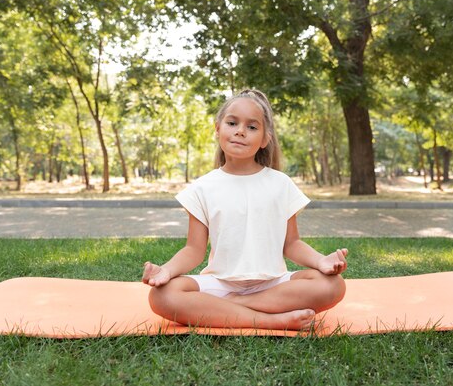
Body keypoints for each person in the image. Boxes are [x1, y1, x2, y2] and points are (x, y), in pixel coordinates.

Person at [142, 89, 348, 331]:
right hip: (220, 284)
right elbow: (194, 250)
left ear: (264, 139)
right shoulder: (202, 188)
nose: (240, 130)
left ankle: (231, 306)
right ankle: (271, 320)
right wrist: (166, 270)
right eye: (232, 123)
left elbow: (292, 244)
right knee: (162, 296)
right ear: (218, 128)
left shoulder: (280, 183)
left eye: (252, 127)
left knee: (333, 286)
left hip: (274, 284)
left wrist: (321, 261)